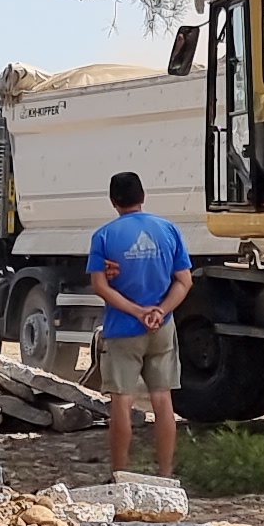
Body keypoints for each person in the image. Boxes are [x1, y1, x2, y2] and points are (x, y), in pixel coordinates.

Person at [84, 167, 196, 480]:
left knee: (122, 400)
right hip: (162, 328)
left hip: (123, 329)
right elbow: (184, 281)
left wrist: (136, 311)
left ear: (112, 201)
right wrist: (159, 311)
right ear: (143, 197)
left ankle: (120, 472)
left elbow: (100, 286)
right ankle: (165, 473)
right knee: (163, 400)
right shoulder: (168, 230)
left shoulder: (104, 236)